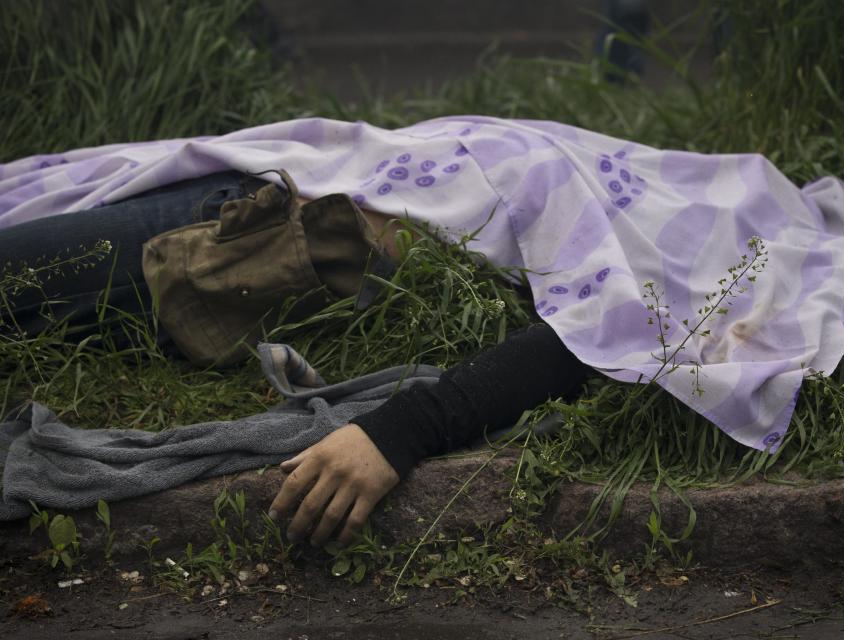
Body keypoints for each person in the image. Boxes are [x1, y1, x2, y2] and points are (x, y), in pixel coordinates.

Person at [0, 169, 588, 546]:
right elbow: (597, 331)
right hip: (258, 216)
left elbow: (588, 336)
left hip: (260, 244)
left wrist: (396, 430)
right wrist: (402, 428)